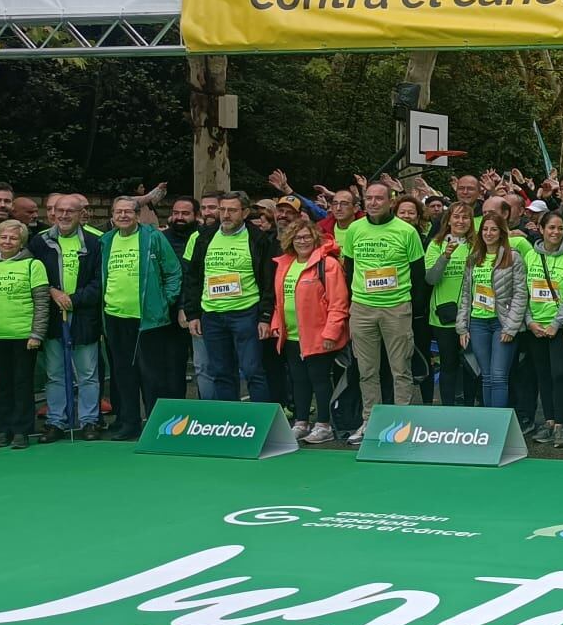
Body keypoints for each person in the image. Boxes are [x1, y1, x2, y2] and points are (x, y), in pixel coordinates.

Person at [337, 182, 427, 440]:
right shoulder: (355, 229)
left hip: (396, 308)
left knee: (400, 369)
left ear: (391, 201)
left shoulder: (406, 231)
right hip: (363, 308)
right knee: (367, 370)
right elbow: (350, 268)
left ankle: (403, 422)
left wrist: (410, 306)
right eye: (369, 198)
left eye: (379, 198)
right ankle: (370, 421)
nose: (374, 202)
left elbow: (418, 275)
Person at [98, 194, 184, 441]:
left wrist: (163, 303)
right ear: (112, 216)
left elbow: (173, 272)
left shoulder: (153, 237)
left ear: (137, 215)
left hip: (148, 319)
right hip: (114, 316)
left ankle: (156, 423)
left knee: (152, 374)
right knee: (123, 373)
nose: (123, 216)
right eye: (118, 212)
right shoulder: (106, 241)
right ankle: (128, 422)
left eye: (128, 212)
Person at [182, 190, 278, 405]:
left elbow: (268, 280)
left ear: (244, 213)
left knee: (253, 370)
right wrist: (193, 314)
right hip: (212, 314)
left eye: (232, 210)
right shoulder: (204, 236)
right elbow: (193, 277)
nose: (226, 215)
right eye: (222, 209)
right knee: (221, 372)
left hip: (246, 313)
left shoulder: (258, 238)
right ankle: (231, 422)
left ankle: (259, 422)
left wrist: (265, 316)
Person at [31, 195, 105, 441]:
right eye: (59, 211)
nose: (63, 215)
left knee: (87, 373)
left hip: (83, 316)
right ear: (52, 213)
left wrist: (74, 298)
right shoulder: (40, 242)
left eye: (69, 211)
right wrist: (52, 292)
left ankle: (89, 421)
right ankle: (56, 421)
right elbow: (32, 276)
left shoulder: (95, 243)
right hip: (52, 316)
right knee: (55, 373)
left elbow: (100, 282)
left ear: (81, 213)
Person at [269, 221, 349, 442]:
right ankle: (301, 422)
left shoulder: (328, 264)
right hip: (292, 336)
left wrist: (331, 333)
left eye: (306, 237)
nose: (302, 241)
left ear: (315, 239)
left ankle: (324, 424)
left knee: (320, 380)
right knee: (298, 380)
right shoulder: (285, 264)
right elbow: (280, 299)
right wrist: (277, 323)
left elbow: (338, 302)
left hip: (319, 336)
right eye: (297, 237)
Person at [0, 217, 48, 449]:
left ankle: (21, 431)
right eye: (3, 237)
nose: (7, 241)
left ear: (22, 242)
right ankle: (3, 429)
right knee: (2, 385)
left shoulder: (33, 265)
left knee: (22, 383)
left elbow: (42, 302)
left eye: (13, 238)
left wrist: (37, 334)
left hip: (23, 335)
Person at [523, 210, 563, 448]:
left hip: (560, 326)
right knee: (543, 376)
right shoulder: (530, 256)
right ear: (541, 229)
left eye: (560, 228)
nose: (556, 232)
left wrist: (555, 323)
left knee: (560, 375)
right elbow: (522, 291)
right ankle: (548, 421)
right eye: (551, 227)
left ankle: (562, 424)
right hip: (535, 327)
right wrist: (529, 321)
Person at [462, 212, 526, 413]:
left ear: (501, 233)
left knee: (499, 376)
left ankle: (498, 425)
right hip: (478, 323)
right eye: (485, 229)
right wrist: (462, 327)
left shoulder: (513, 256)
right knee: (487, 376)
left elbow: (520, 294)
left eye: (494, 229)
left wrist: (511, 326)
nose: (489, 233)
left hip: (502, 323)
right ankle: (489, 426)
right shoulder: (473, 258)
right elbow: (465, 295)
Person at [425, 201, 478, 406]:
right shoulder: (436, 245)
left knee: (472, 365)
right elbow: (430, 279)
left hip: (472, 315)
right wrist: (445, 256)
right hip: (443, 317)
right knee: (449, 365)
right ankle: (447, 409)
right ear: (448, 220)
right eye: (456, 217)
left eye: (465, 217)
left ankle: (470, 407)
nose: (461, 221)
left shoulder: (477, 245)